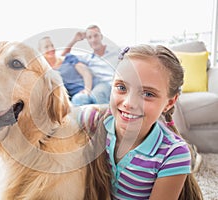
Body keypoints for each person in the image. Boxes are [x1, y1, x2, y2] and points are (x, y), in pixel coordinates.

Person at [78, 44, 203, 199]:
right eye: (121, 87)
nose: (129, 103)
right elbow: (56, 120)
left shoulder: (173, 153)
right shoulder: (95, 120)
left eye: (147, 93)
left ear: (169, 103)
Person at [62, 25, 121, 106]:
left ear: (101, 36)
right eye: (89, 37)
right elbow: (63, 56)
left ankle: (109, 116)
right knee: (79, 99)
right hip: (101, 86)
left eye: (96, 35)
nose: (93, 40)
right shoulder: (88, 58)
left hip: (116, 85)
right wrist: (74, 40)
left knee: (97, 94)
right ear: (87, 40)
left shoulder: (116, 51)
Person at [38, 36, 93, 101]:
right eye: (46, 47)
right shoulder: (46, 72)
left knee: (79, 99)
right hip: (70, 99)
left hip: (85, 92)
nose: (51, 48)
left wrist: (87, 90)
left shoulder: (68, 58)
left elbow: (86, 72)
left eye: (52, 45)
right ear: (40, 51)